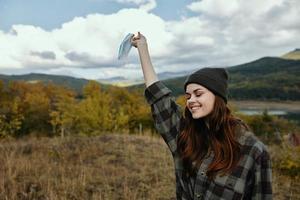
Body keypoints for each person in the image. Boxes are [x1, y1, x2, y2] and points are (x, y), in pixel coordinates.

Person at [131, 32, 272, 200]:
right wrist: (142, 48)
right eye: (188, 96)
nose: (191, 100)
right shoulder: (185, 136)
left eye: (198, 94)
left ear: (217, 97)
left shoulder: (253, 150)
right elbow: (159, 98)